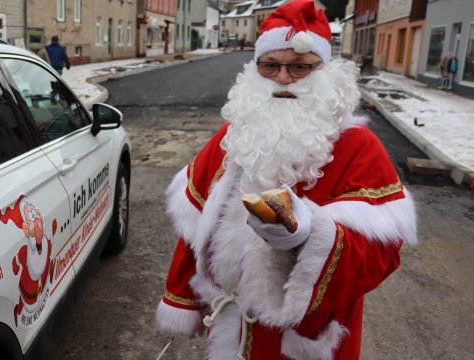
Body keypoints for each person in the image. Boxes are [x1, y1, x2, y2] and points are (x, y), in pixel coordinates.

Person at [155, 1, 418, 359]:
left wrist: (309, 236)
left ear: (323, 71)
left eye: (299, 68)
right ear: (256, 69)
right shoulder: (233, 136)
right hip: (230, 331)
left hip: (304, 339)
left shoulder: (359, 147)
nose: (281, 78)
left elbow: (382, 254)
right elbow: (193, 226)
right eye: (270, 65)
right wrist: (182, 301)